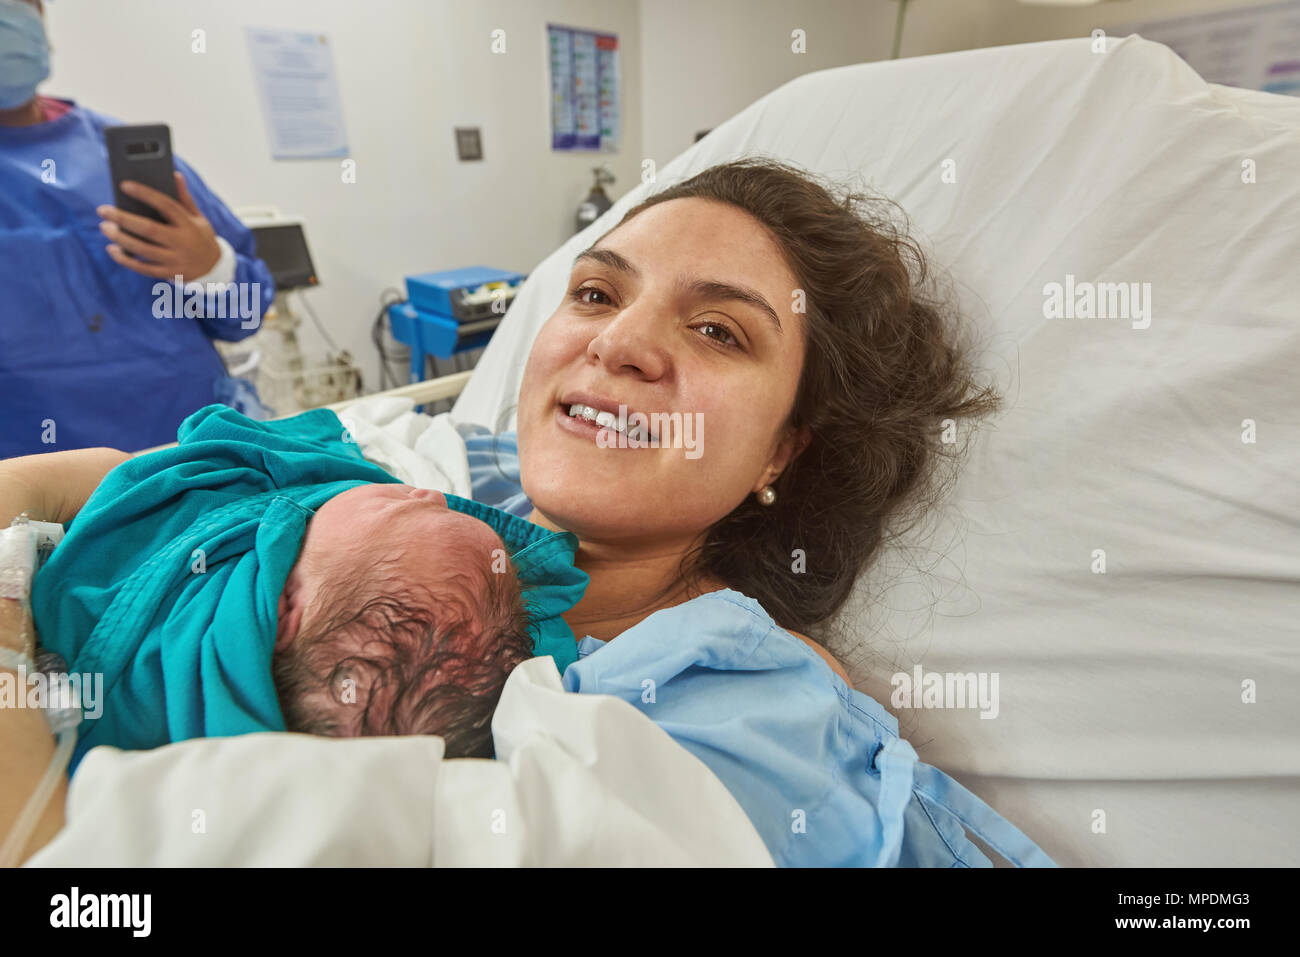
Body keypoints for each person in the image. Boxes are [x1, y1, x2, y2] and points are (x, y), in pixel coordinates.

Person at [460, 156, 1055, 866]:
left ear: (781, 452)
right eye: (595, 292)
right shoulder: (412, 486)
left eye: (717, 330)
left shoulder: (755, 716)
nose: (616, 342)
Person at [0, 0, 275, 457]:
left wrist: (211, 269)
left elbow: (244, 316)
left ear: (40, 16)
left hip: (191, 462)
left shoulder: (124, 155)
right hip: (39, 494)